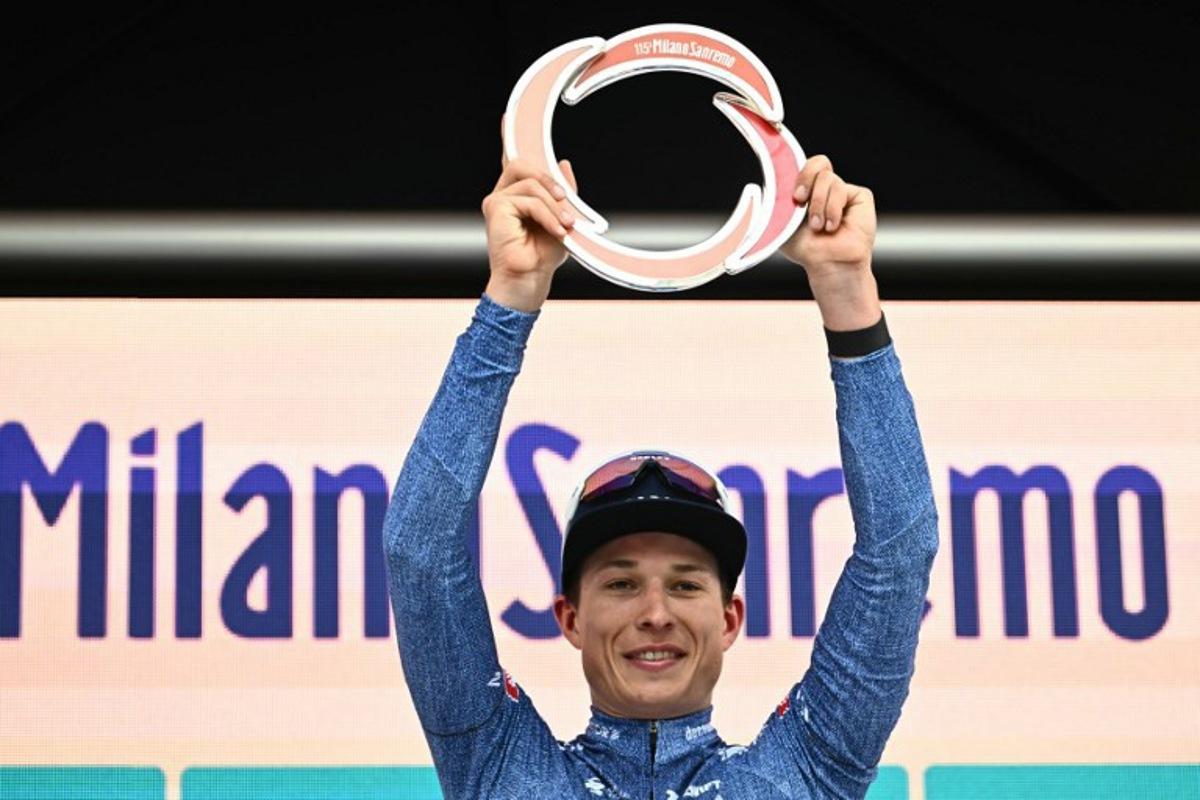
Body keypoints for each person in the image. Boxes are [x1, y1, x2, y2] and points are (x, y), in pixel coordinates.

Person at [383, 121, 940, 798]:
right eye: (621, 584)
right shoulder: (500, 767)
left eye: (685, 585)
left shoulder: (804, 772)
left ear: (729, 619)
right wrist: (511, 296)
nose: (655, 613)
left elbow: (899, 552)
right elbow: (419, 551)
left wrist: (846, 286)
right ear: (570, 618)